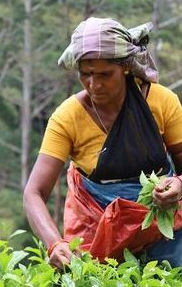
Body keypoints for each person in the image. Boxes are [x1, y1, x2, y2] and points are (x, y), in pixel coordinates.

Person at [23, 17, 182, 269]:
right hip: (95, 226)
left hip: (160, 220)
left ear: (126, 68)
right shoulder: (67, 117)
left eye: (105, 75)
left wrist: (178, 184)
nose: (94, 85)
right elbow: (34, 193)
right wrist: (55, 243)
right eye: (85, 74)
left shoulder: (161, 102)